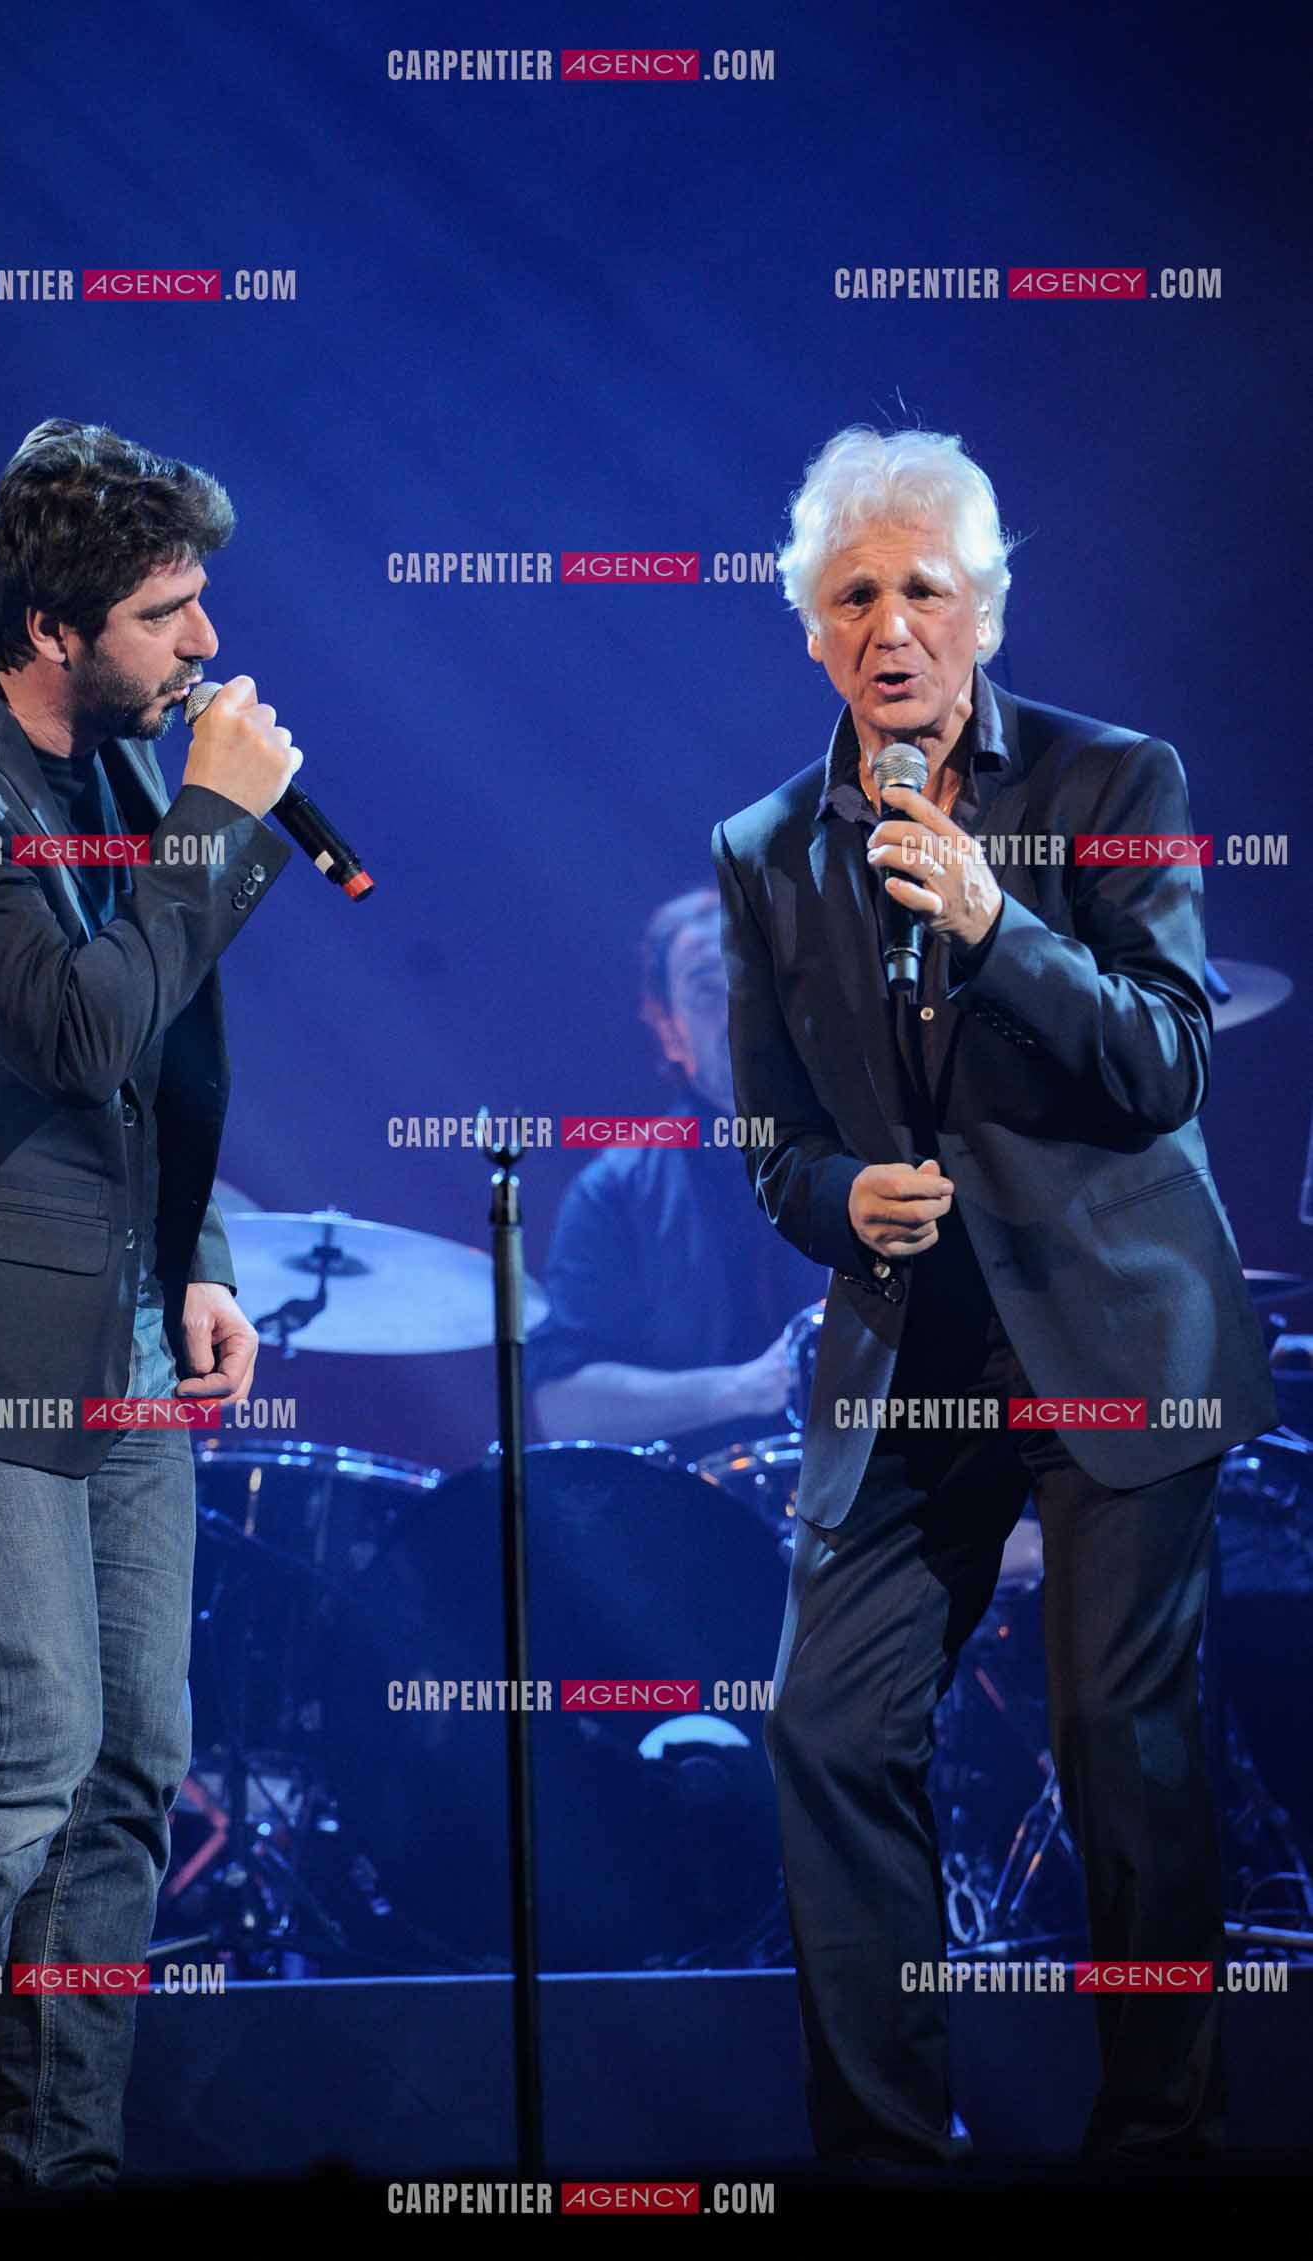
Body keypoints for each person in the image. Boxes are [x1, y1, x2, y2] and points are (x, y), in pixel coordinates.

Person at [712, 424, 1277, 2166]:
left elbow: (1167, 1063)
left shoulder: (1116, 787)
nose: (891, 627)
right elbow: (772, 1142)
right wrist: (837, 1197)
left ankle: (1155, 2139)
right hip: (909, 1351)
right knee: (826, 1722)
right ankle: (884, 2152)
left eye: (924, 591)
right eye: (853, 596)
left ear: (989, 611)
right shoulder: (765, 847)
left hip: (1118, 1335)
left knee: (1116, 1730)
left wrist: (991, 920)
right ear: (812, 630)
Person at [0, 419, 303, 2197]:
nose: (201, 648)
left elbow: (160, 1063)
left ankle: (61, 2164)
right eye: (169, 613)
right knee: (21, 1746)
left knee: (130, 1770)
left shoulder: (99, 761)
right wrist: (222, 830)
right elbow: (83, 1026)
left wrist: (202, 1258)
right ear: (50, 625)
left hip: (109, 1320)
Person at [530, 886, 827, 1462]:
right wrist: (745, 1388)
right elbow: (559, 1404)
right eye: (707, 988)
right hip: (703, 1525)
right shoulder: (615, 1191)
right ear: (668, 1029)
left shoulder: (893, 1144)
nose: (738, 1003)